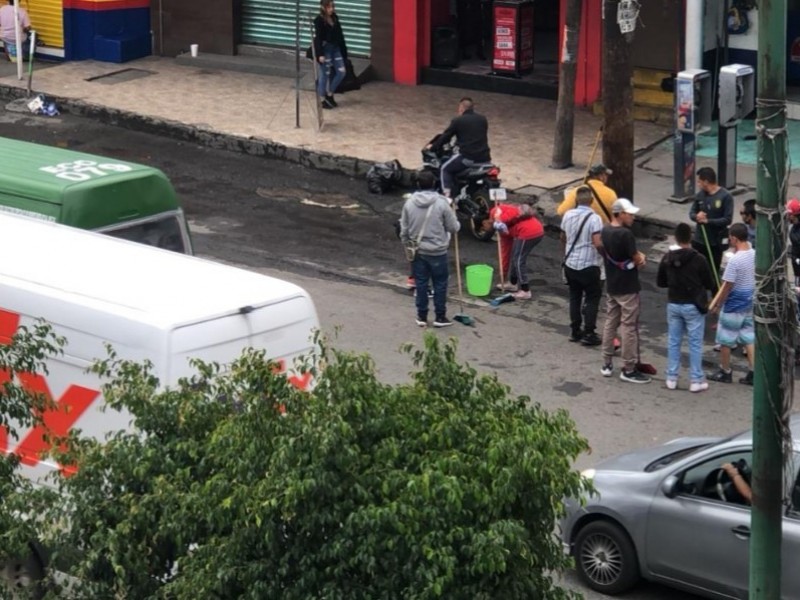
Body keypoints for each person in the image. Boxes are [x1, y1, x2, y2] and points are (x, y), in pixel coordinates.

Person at [656, 223, 715, 392]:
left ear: (675, 237)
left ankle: (671, 378)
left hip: (674, 303)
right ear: (690, 238)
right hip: (693, 305)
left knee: (674, 341)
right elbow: (709, 282)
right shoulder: (699, 259)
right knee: (695, 343)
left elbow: (661, 282)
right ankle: (696, 380)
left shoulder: (667, 258)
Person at [400, 170, 460, 327]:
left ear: (418, 184)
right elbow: (453, 227)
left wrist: (407, 244)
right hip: (437, 250)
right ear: (434, 184)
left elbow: (404, 229)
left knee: (421, 283)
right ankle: (440, 317)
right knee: (440, 283)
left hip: (418, 249)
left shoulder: (409, 203)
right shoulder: (442, 203)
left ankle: (421, 316)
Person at [599, 198, 650, 384]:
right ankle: (628, 368)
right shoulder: (625, 235)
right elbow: (637, 258)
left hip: (612, 284)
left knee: (610, 323)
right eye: (629, 214)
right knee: (628, 327)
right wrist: (642, 258)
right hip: (628, 286)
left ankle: (606, 362)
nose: (633, 217)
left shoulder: (605, 230)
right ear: (620, 214)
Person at [708, 223, 755, 385]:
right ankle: (753, 371)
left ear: (734, 239)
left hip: (733, 305)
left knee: (725, 339)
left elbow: (727, 285)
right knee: (749, 337)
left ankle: (725, 370)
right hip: (749, 301)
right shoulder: (754, 254)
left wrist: (717, 304)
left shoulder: (734, 261)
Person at [560, 185, 604, 345]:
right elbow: (598, 243)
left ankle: (575, 330)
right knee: (592, 298)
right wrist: (606, 256)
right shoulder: (595, 218)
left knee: (574, 296)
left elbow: (563, 237)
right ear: (591, 201)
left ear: (576, 201)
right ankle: (589, 333)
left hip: (571, 263)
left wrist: (565, 255)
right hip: (589, 264)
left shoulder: (567, 215)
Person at [427, 97, 491, 199]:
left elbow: (446, 136)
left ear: (461, 108)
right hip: (485, 158)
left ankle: (447, 197)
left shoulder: (458, 121)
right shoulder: (482, 119)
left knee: (444, 169)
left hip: (468, 157)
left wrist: (433, 147)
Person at [482, 202, 544, 300]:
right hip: (530, 232)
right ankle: (513, 283)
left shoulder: (497, 212)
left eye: (484, 225)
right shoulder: (501, 230)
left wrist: (500, 219)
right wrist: (503, 273)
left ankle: (525, 290)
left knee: (519, 260)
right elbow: (505, 251)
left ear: (487, 220)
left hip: (530, 232)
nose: (485, 228)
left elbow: (515, 211)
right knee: (516, 257)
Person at [689, 167, 734, 289]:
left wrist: (708, 221)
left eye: (699, 181)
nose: (698, 184)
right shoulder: (700, 196)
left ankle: (716, 300)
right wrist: (696, 216)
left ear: (706, 182)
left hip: (715, 242)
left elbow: (727, 219)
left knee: (713, 272)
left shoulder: (725, 197)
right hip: (699, 241)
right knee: (696, 272)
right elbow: (692, 213)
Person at [313, 0, 348, 110]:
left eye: (332, 7)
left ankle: (330, 93)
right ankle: (322, 98)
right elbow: (318, 38)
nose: (331, 9)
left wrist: (344, 52)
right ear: (323, 7)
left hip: (336, 48)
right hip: (325, 49)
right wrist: (320, 54)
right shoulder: (319, 20)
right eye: (328, 7)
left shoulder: (335, 18)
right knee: (325, 74)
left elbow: (340, 35)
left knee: (341, 72)